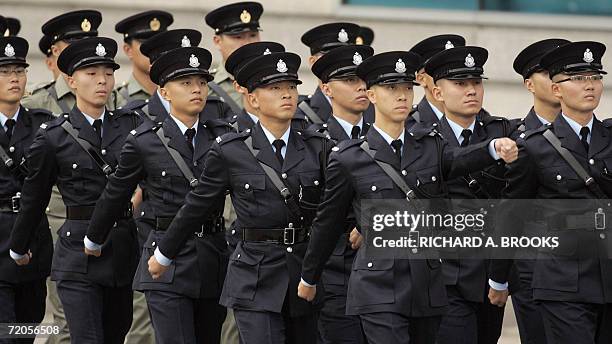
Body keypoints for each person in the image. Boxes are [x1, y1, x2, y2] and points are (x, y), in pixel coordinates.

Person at [298, 50, 519, 344]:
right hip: (378, 285)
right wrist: (309, 277)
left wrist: (493, 148)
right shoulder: (350, 157)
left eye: (406, 88)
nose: (402, 96)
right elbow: (328, 221)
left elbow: (458, 160)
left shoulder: (429, 146)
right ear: (371, 95)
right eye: (391, 89)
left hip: (426, 284)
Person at [148, 50, 330, 344]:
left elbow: (333, 207)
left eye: (291, 88)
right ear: (254, 100)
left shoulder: (317, 146)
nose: (287, 95)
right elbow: (198, 205)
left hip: (302, 274)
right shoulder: (232, 150)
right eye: (275, 89)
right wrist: (164, 252)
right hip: (254, 277)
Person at [85, 45, 230, 344]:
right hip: (166, 261)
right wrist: (94, 238)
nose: (197, 90)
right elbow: (116, 192)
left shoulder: (223, 137)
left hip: (212, 258)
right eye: (186, 83)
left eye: (202, 83)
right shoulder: (145, 141)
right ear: (164, 93)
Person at [9, 37, 142, 344]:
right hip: (76, 253)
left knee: (115, 333)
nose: (102, 81)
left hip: (121, 249)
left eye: (108, 74)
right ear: (70, 80)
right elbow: (35, 195)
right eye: (91, 74)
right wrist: (19, 244)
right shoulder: (54, 135)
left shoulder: (130, 129)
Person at [488, 40, 612, 344]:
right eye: (579, 79)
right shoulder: (533, 146)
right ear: (556, 90)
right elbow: (512, 213)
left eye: (595, 78)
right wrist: (499, 277)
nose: (590, 86)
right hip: (561, 278)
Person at [424, 45, 514, 344]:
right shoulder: (421, 137)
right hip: (444, 272)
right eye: (460, 84)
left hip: (490, 268)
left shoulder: (501, 130)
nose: (471, 91)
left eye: (476, 83)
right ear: (437, 93)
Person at [308, 43, 375, 344]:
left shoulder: (385, 137)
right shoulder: (311, 141)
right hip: (334, 269)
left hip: (383, 272)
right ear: (327, 89)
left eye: (364, 80)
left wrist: (368, 223)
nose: (360, 87)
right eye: (349, 80)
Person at [508, 38, 570, 344]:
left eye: (566, 72)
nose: (560, 80)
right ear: (529, 84)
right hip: (533, 264)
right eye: (549, 73)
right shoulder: (512, 138)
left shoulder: (599, 136)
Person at [0, 31, 54, 344]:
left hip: (33, 242)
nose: (14, 78)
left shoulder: (42, 125)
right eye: (5, 72)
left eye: (19, 71)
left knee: (27, 332)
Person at [297, 22, 369, 124]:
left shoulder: (377, 110)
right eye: (332, 57)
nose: (341, 62)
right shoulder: (299, 115)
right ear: (313, 62)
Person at [205, 1, 264, 113]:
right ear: (217, 41)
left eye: (253, 35)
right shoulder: (206, 87)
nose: (247, 43)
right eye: (238, 37)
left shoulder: (274, 81)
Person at [114, 10, 173, 107]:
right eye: (146, 45)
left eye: (161, 43)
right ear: (128, 50)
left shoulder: (184, 93)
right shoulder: (114, 99)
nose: (155, 50)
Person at [406, 34, 466, 129]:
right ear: (421, 79)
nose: (453, 79)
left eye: (458, 72)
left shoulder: (481, 120)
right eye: (440, 71)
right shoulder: (407, 125)